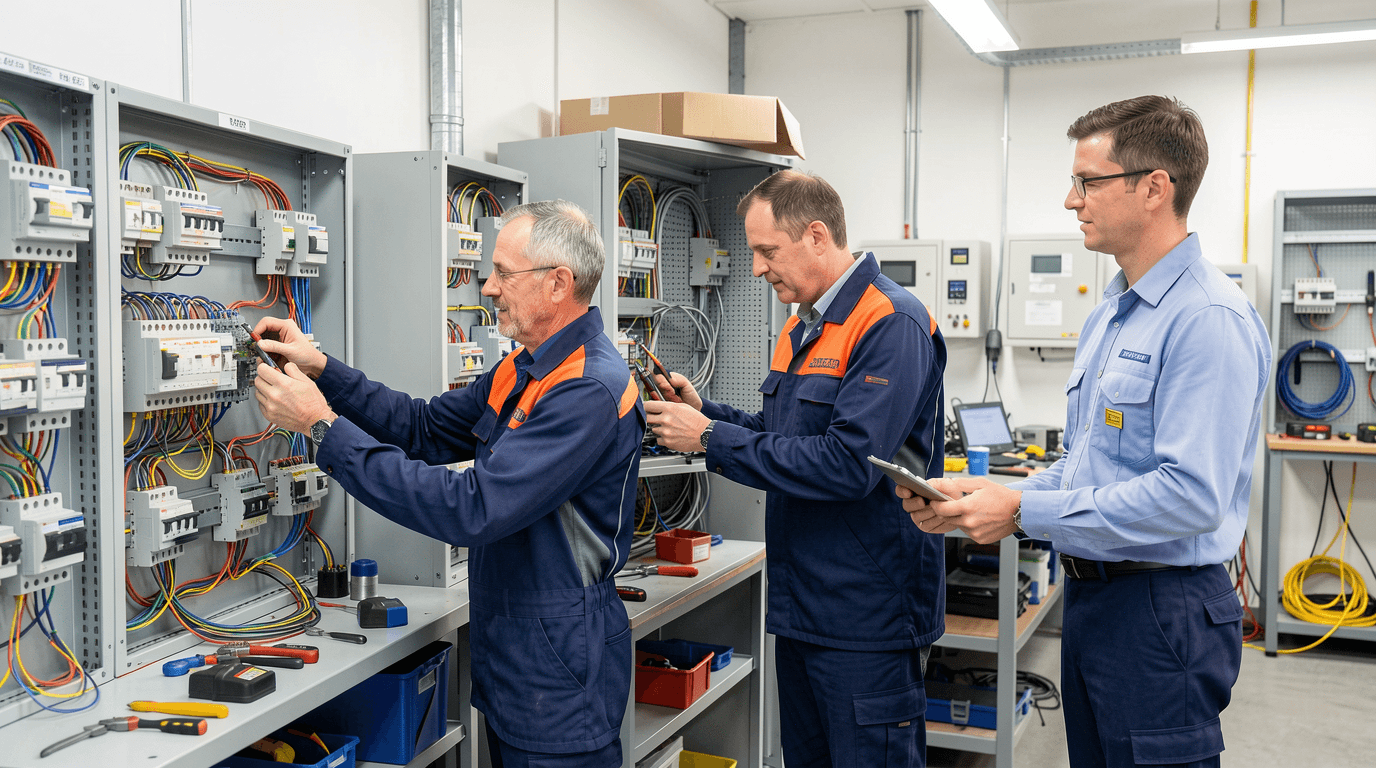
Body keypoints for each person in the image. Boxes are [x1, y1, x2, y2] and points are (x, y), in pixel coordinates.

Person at [903, 96, 1271, 768]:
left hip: (1162, 612)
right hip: (1098, 599)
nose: (1071, 200)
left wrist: (1021, 509)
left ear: (1155, 187)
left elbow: (1191, 496)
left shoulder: (1207, 319)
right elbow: (1088, 466)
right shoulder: (1114, 313)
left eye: (1088, 181)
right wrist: (986, 496)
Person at [252, 200, 644, 768]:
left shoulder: (588, 388)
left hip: (559, 679)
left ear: (558, 284)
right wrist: (323, 372)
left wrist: (321, 427)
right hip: (518, 664)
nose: (487, 287)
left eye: (504, 274)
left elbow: (471, 508)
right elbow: (423, 426)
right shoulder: (525, 367)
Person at [645, 170, 947, 768]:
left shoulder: (890, 321)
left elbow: (847, 466)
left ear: (815, 235)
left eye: (766, 251)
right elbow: (787, 436)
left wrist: (709, 439)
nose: (757, 268)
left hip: (869, 617)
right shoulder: (801, 325)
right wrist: (706, 412)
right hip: (805, 606)